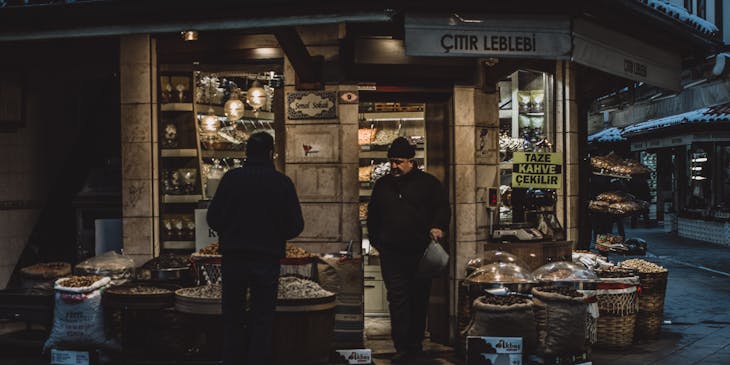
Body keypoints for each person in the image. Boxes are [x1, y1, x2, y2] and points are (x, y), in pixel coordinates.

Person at [207, 131, 304, 365]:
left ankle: (232, 358)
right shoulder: (282, 182)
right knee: (262, 317)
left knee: (233, 315)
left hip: (234, 258)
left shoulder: (231, 179)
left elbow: (213, 218)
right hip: (266, 258)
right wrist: (274, 235)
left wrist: (229, 232)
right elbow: (295, 225)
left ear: (246, 153)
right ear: (271, 153)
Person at [367, 137, 451, 363]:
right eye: (391, 161)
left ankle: (415, 345)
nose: (394, 166)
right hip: (392, 254)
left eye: (398, 161)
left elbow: (443, 208)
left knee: (418, 298)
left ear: (411, 161)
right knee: (397, 298)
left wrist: (438, 226)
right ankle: (402, 346)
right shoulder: (382, 185)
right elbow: (373, 217)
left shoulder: (429, 184)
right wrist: (379, 243)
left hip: (419, 254)